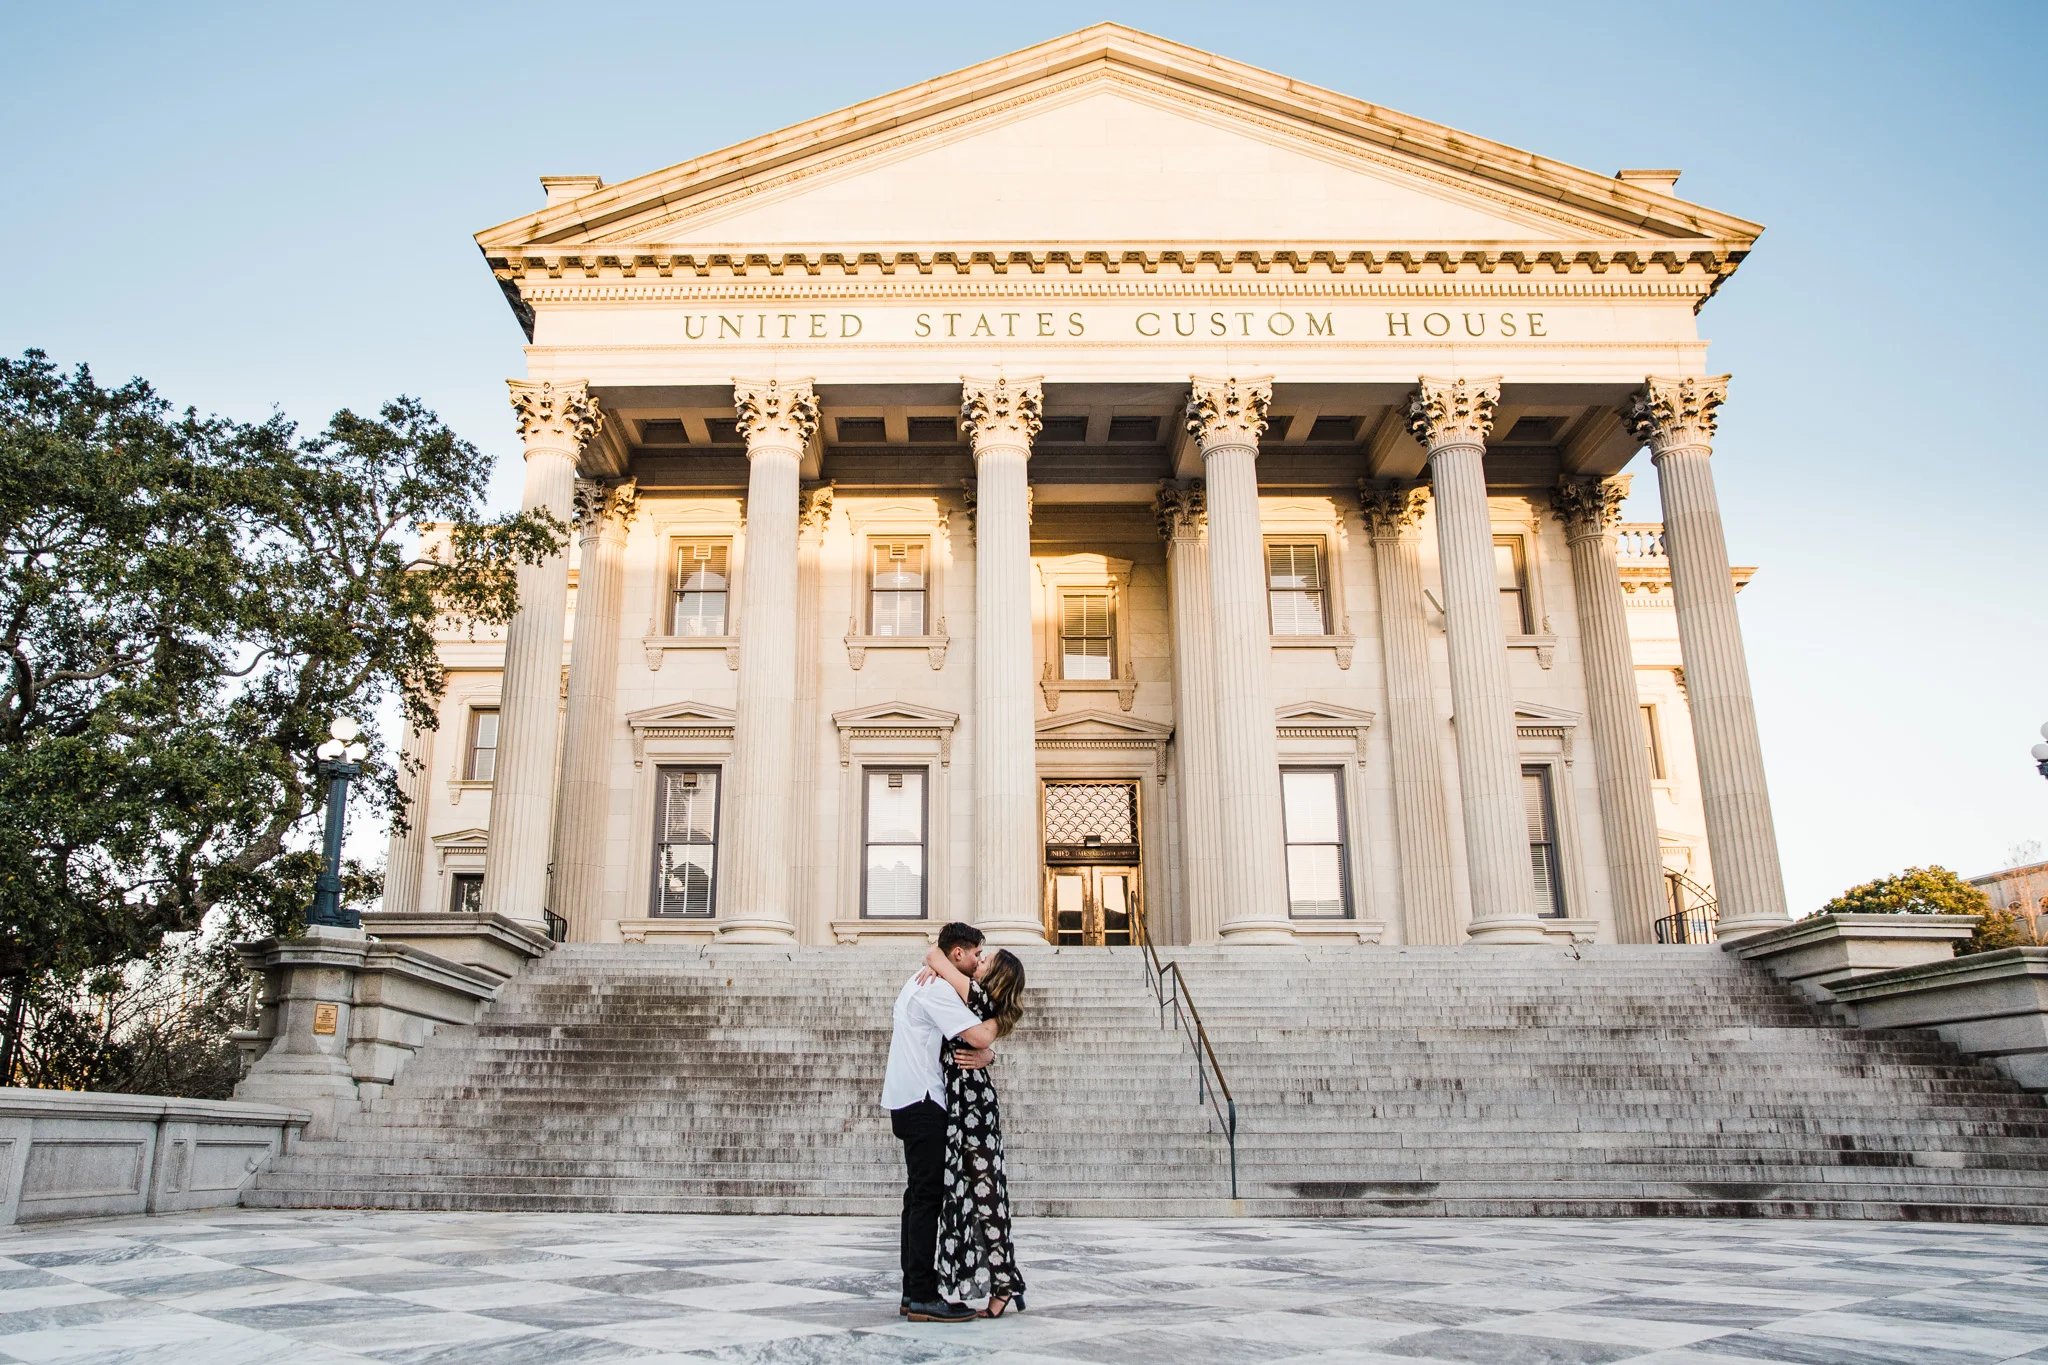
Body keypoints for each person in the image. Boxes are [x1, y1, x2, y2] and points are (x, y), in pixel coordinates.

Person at [880, 921, 997, 1324]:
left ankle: (913, 1291)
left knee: (916, 1198)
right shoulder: (938, 989)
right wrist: (1006, 1019)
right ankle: (924, 1295)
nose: (980, 961)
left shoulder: (920, 980)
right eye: (977, 954)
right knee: (926, 1198)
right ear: (958, 954)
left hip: (905, 1097)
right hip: (924, 1101)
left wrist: (935, 961)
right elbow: (979, 1036)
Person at [922, 942, 1028, 1317]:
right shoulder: (983, 1001)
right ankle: (1002, 1278)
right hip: (963, 1103)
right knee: (974, 1195)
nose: (976, 960)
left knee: (986, 1196)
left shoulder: (977, 994)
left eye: (984, 960)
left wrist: (940, 967)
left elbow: (934, 954)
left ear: (994, 977)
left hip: (974, 1109)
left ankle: (1003, 1284)